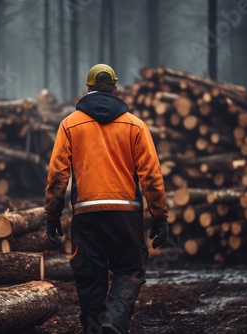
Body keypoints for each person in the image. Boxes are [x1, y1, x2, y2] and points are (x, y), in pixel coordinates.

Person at [44, 64, 168, 334]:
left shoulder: (69, 125)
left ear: (87, 89)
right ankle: (114, 321)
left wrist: (52, 216)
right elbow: (151, 175)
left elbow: (57, 175)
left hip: (86, 214)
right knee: (129, 270)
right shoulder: (135, 126)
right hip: (125, 214)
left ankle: (95, 327)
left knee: (90, 277)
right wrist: (160, 217)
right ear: (115, 88)